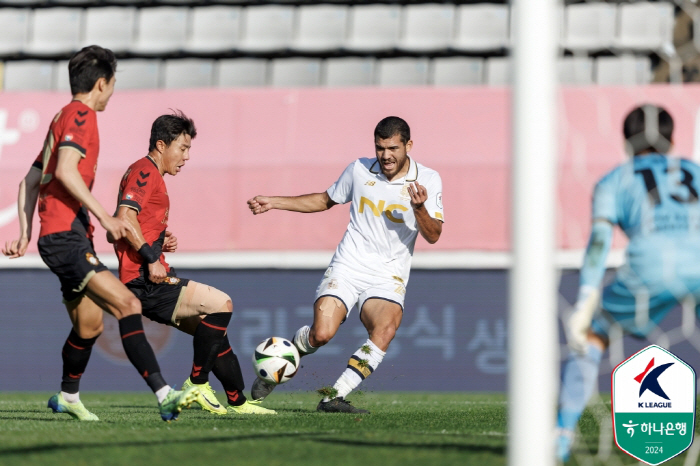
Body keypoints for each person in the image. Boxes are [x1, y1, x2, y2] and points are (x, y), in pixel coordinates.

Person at [2, 46, 200, 422]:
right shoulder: (81, 115)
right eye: (112, 84)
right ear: (101, 83)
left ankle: (67, 396)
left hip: (60, 237)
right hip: (66, 237)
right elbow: (64, 171)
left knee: (89, 325)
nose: (112, 92)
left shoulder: (60, 116)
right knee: (128, 305)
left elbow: (29, 180)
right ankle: (164, 393)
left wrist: (25, 233)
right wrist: (105, 218)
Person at [247, 116, 444, 413]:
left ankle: (333, 397)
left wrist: (419, 208)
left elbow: (433, 235)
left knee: (385, 329)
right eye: (380, 148)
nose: (386, 156)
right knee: (322, 334)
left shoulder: (428, 179)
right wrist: (275, 202)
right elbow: (325, 200)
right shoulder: (359, 169)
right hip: (349, 265)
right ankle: (284, 358)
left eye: (392, 148)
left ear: (409, 146)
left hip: (388, 274)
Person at [557, 104, 700, 461]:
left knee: (592, 333)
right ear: (672, 139)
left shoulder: (614, 179)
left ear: (627, 142)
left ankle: (561, 436)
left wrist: (587, 296)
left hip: (650, 268)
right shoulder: (695, 171)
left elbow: (600, 243)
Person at [112, 112, 275, 415]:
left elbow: (131, 227)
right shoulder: (144, 172)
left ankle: (238, 403)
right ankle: (196, 384)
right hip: (143, 280)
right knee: (221, 304)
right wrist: (150, 257)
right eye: (182, 148)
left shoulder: (150, 175)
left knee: (213, 334)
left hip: (144, 276)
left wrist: (159, 242)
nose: (187, 157)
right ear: (162, 145)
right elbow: (123, 219)